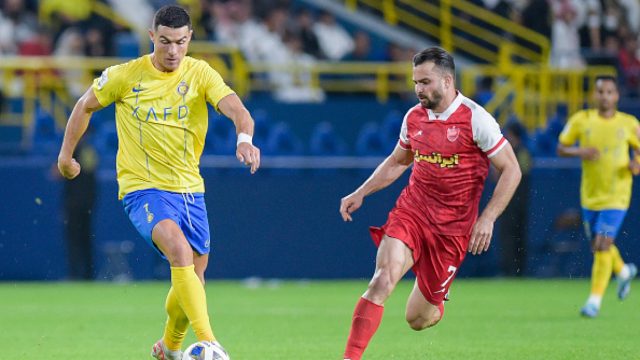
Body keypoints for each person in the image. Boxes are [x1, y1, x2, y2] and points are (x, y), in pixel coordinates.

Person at [57, 5, 260, 359]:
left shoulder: (201, 74)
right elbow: (84, 105)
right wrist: (65, 155)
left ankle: (169, 347)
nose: (172, 51)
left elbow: (238, 110)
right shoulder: (125, 75)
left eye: (180, 42)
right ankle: (210, 342)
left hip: (190, 191)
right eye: (165, 41)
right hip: (142, 188)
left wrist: (244, 140)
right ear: (152, 37)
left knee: (194, 276)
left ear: (190, 39)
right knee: (179, 252)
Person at [339, 47, 522, 360]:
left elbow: (512, 169)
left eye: (425, 82)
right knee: (382, 280)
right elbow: (398, 161)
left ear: (447, 81)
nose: (418, 89)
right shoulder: (414, 117)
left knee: (418, 320)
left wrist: (488, 217)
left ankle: (437, 299)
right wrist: (362, 191)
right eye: (415, 82)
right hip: (412, 213)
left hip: (452, 231)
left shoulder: (476, 119)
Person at [557, 75, 639, 318]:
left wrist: (636, 164)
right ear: (594, 95)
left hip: (617, 194)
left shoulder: (628, 123)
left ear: (617, 95)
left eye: (609, 92)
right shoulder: (582, 120)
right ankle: (624, 272)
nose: (605, 96)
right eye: (601, 92)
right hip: (590, 196)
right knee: (598, 246)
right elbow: (561, 147)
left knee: (603, 243)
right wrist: (580, 150)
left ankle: (594, 301)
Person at [63, 136, 98, 280]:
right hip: (88, 203)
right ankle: (88, 275)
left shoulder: (72, 149)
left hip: (74, 202)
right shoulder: (90, 149)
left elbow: (58, 172)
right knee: (86, 239)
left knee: (74, 239)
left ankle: (75, 274)